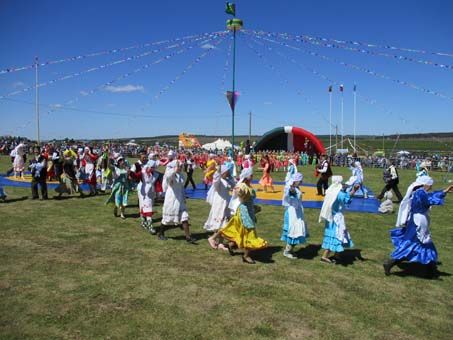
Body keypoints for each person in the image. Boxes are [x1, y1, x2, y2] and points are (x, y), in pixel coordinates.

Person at [383, 177, 452, 277]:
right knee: (414, 245)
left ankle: (431, 270)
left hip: (417, 220)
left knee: (423, 244)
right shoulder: (420, 193)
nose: (431, 187)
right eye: (430, 185)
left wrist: (444, 191)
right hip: (418, 222)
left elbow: (430, 196)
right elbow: (430, 199)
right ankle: (390, 263)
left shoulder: (419, 191)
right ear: (426, 185)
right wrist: (443, 192)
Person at [216, 180, 267, 264]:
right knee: (249, 235)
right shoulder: (243, 187)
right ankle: (246, 256)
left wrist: (254, 209)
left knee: (241, 234)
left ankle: (231, 245)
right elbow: (243, 193)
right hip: (245, 215)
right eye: (250, 175)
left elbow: (248, 198)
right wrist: (241, 189)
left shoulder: (245, 188)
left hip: (245, 212)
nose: (251, 177)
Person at [319, 176, 356, 263]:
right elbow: (346, 200)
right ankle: (324, 257)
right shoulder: (338, 193)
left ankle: (337, 255)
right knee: (336, 235)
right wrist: (354, 190)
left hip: (330, 217)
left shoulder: (330, 190)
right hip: (336, 218)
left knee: (338, 235)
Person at [160, 160, 196, 243]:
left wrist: (184, 197)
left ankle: (188, 237)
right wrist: (174, 170)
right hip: (171, 199)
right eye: (179, 166)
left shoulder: (181, 175)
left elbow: (182, 188)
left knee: (184, 217)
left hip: (180, 199)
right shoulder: (170, 174)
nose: (180, 168)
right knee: (167, 219)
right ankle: (161, 233)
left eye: (181, 166)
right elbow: (168, 177)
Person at [281, 172, 309, 259]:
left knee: (298, 231)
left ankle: (291, 249)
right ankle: (287, 251)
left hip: (297, 212)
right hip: (292, 213)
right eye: (300, 180)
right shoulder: (290, 188)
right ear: (296, 180)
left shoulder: (296, 187)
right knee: (293, 231)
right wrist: (291, 191)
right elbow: (289, 194)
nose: (301, 182)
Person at [204, 165, 236, 235]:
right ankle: (214, 238)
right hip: (219, 202)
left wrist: (231, 177)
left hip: (226, 201)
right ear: (222, 173)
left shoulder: (226, 180)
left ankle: (219, 239)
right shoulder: (218, 182)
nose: (227, 174)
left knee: (225, 221)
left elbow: (234, 185)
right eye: (226, 173)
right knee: (219, 220)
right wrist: (218, 172)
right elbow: (216, 180)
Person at [137, 159, 158, 234]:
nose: (154, 169)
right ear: (149, 166)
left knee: (144, 207)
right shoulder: (143, 172)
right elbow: (136, 176)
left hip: (150, 193)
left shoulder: (154, 174)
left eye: (154, 167)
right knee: (148, 209)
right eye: (153, 167)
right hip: (143, 192)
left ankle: (143, 222)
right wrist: (130, 173)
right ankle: (150, 227)